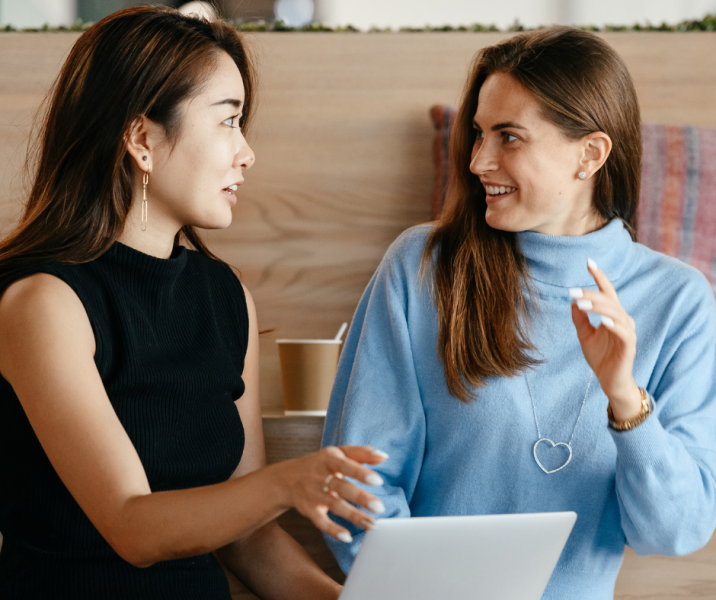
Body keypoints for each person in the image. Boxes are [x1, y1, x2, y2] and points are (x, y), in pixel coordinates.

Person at [0, 6, 386, 599]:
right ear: (141, 139)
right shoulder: (43, 302)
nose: (247, 152)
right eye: (228, 121)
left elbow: (246, 538)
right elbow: (133, 527)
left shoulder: (225, 295)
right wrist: (288, 483)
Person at [322, 26, 716, 599]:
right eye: (478, 133)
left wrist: (627, 401)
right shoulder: (422, 267)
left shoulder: (680, 300)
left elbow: (675, 532)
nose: (479, 160)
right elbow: (356, 485)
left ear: (591, 154)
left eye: (509, 137)